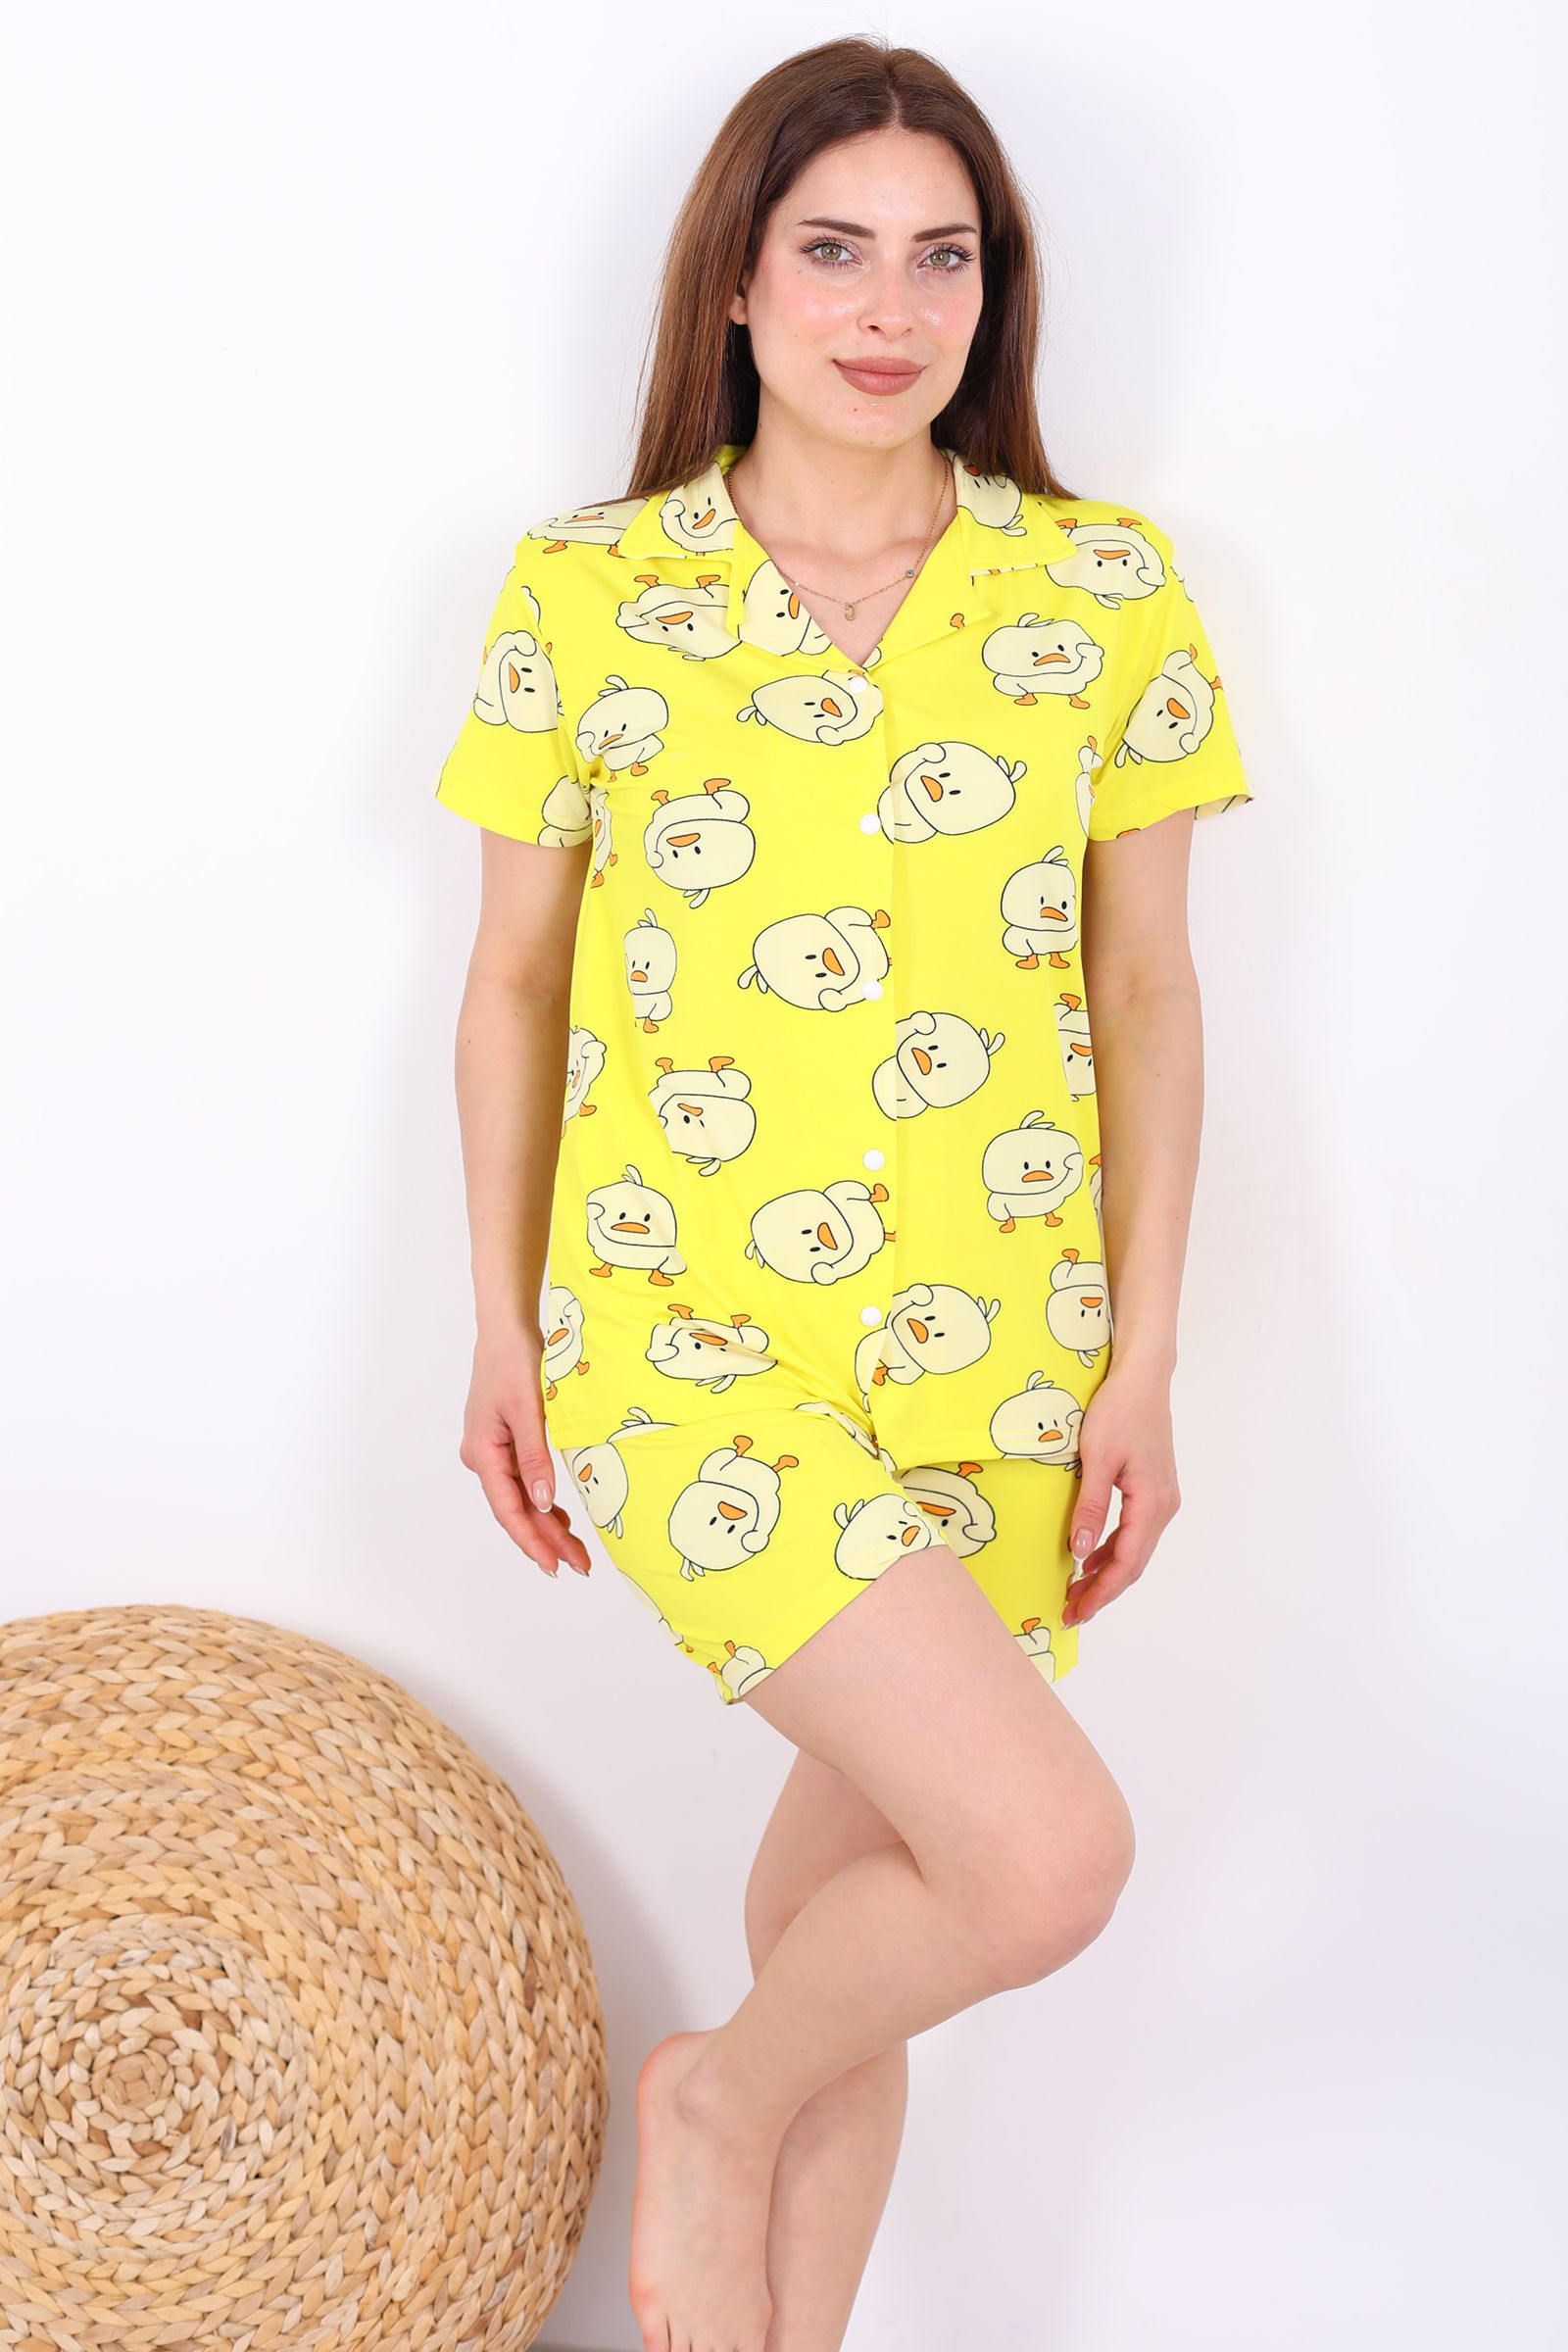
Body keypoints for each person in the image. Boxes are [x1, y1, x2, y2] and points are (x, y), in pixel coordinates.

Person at [432, 34, 1252, 2352]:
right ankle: (705, 2102)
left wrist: (1142, 1363)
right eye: (832, 251)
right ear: (734, 281)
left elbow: (1146, 993)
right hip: (679, 1336)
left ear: (993, 293)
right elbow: (513, 984)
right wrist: (498, 1328)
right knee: (1037, 1857)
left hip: (998, 1355)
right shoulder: (591, 593)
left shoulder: (1099, 592)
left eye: (940, 258)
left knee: (857, 1921)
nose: (889, 309)